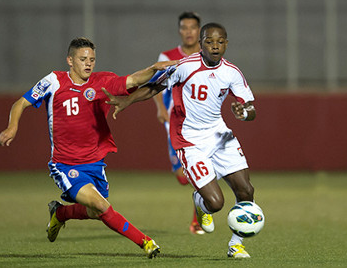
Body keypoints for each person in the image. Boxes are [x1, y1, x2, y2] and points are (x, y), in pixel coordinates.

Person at [0, 37, 177, 258]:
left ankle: (60, 213)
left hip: (94, 163)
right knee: (101, 206)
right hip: (65, 165)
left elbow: (132, 80)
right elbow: (21, 102)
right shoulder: (54, 81)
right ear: (70, 60)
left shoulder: (102, 82)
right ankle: (146, 242)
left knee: (95, 211)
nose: (88, 63)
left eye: (92, 59)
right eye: (83, 59)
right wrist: (12, 127)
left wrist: (153, 69)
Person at [104, 23, 258, 258]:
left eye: (220, 42)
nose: (215, 46)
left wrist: (243, 113)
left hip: (218, 134)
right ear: (200, 43)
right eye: (209, 41)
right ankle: (200, 202)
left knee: (246, 191)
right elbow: (155, 86)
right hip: (189, 139)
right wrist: (128, 101)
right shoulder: (184, 67)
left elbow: (250, 108)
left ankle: (236, 245)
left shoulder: (232, 72)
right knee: (216, 203)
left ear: (226, 43)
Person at [153, 11, 204, 235]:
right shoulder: (168, 56)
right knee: (183, 177)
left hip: (200, 124)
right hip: (174, 123)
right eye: (184, 28)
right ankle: (201, 199)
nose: (189, 32)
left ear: (199, 31)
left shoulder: (207, 55)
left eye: (193, 27)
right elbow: (156, 85)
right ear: (180, 30)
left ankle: (198, 220)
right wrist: (160, 109)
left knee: (199, 172)